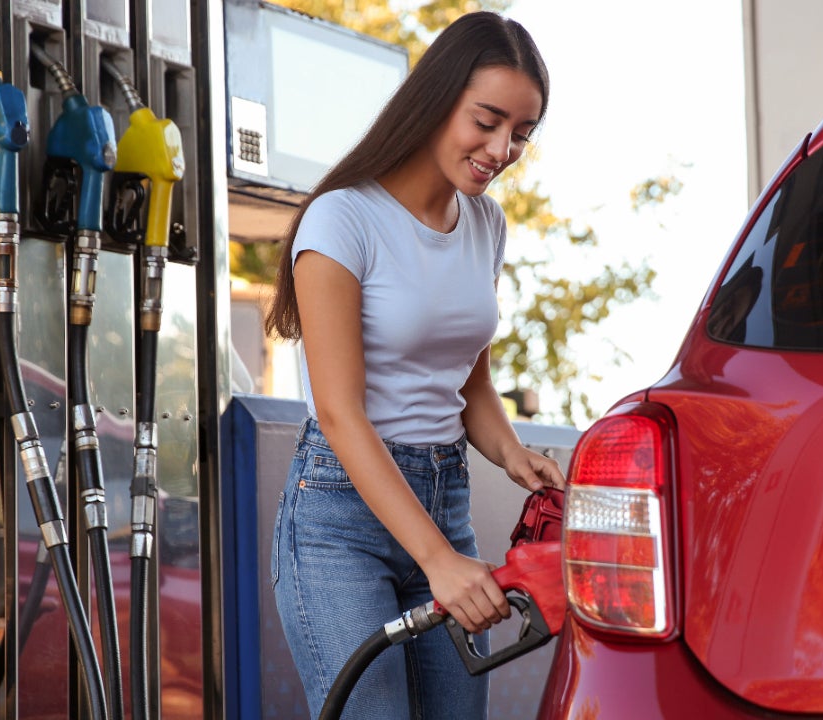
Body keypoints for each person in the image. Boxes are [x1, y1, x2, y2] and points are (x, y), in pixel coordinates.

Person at [264, 10, 565, 720]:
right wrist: (437, 562)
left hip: (444, 500)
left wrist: (513, 456)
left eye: (521, 133)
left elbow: (472, 382)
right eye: (486, 121)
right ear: (437, 101)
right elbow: (339, 413)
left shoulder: (484, 224)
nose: (502, 149)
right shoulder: (343, 220)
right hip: (342, 521)